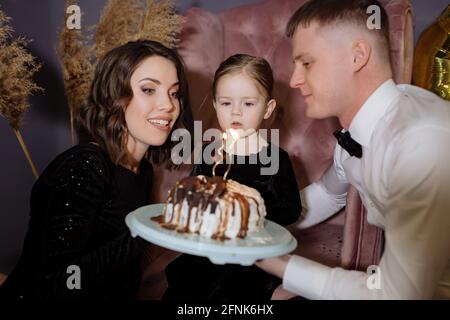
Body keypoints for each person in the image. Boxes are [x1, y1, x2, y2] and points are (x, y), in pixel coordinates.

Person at [255, 0, 450, 299]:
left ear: (357, 56)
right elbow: (328, 194)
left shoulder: (418, 142)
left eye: (307, 63)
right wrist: (255, 221)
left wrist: (282, 266)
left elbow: (397, 296)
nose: (294, 80)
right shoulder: (363, 129)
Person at [0, 39, 192, 299]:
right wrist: (151, 228)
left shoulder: (143, 171)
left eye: (174, 93)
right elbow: (61, 282)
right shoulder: (87, 165)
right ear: (115, 97)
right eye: (149, 90)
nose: (168, 105)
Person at [162, 54, 302, 301]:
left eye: (248, 104)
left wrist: (248, 214)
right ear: (216, 105)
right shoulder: (211, 153)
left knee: (234, 292)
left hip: (251, 255)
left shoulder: (275, 158)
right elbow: (194, 193)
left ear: (267, 108)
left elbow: (292, 208)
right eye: (226, 103)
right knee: (186, 286)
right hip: (208, 249)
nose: (236, 112)